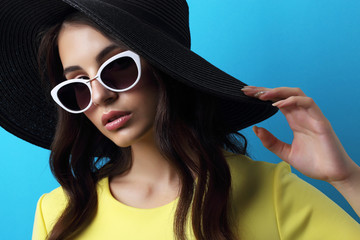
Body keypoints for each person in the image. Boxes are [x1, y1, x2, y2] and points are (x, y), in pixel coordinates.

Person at [0, 0, 359, 239]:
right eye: (77, 86)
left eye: (118, 67)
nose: (100, 96)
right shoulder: (58, 213)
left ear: (165, 69)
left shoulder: (268, 191)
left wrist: (346, 177)